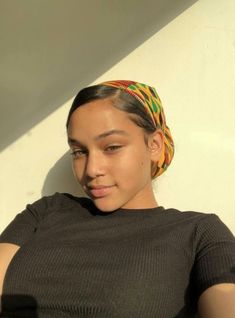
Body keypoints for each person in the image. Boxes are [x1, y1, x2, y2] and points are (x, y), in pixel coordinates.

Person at [0, 80, 235, 318]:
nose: (91, 169)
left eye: (111, 147)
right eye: (79, 151)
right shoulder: (46, 211)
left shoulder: (199, 233)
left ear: (154, 145)